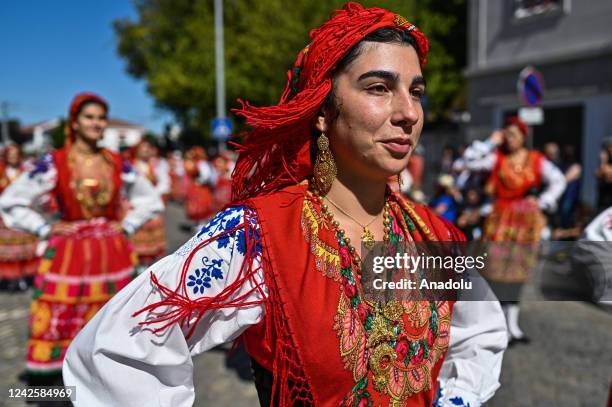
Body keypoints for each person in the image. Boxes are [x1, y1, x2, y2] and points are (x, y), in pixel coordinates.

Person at [64, 4, 507, 407]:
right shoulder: (260, 236)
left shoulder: (430, 234)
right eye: (378, 88)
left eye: (416, 91)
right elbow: (120, 348)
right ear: (321, 109)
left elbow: (480, 332)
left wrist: (456, 399)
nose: (408, 111)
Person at [0, 92, 163, 386]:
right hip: (69, 252)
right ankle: (62, 384)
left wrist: (127, 225)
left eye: (101, 118)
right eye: (89, 117)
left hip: (112, 252)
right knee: (63, 316)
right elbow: (12, 200)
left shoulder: (117, 162)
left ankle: (109, 382)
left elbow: (149, 200)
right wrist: (43, 227)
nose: (97, 123)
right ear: (74, 123)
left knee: (113, 315)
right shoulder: (55, 162)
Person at [462, 116, 566, 344]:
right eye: (506, 134)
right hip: (499, 223)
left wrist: (544, 201)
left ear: (523, 136)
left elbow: (558, 180)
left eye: (514, 134)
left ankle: (513, 327)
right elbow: (467, 161)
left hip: (525, 225)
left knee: (518, 275)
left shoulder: (536, 160)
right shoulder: (496, 158)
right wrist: (490, 141)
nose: (510, 138)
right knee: (496, 274)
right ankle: (496, 324)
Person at [0, 144, 39, 291]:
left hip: (23, 216)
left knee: (24, 249)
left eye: (16, 154)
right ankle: (10, 279)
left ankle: (24, 276)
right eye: (10, 155)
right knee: (8, 251)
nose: (13, 157)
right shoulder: (1, 172)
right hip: (5, 217)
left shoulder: (26, 172)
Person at [130, 136, 170, 268]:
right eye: (143, 148)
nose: (147, 150)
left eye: (148, 148)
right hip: (138, 207)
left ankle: (148, 265)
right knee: (138, 238)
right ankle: (139, 265)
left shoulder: (154, 166)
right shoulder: (131, 166)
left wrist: (156, 194)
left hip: (152, 208)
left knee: (152, 239)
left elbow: (163, 184)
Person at [183, 146, 218, 223]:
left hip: (201, 188)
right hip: (197, 188)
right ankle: (198, 222)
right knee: (197, 207)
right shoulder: (198, 163)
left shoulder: (202, 163)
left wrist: (199, 181)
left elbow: (206, 176)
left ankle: (201, 223)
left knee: (201, 207)